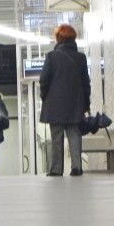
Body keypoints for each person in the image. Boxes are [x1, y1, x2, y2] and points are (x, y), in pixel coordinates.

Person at [39, 23, 91, 177]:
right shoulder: (80, 58)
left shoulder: (51, 56)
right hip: (75, 103)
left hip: (54, 104)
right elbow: (85, 83)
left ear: (58, 39)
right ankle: (77, 167)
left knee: (56, 136)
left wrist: (44, 96)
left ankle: (56, 169)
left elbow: (44, 79)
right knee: (74, 134)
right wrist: (86, 104)